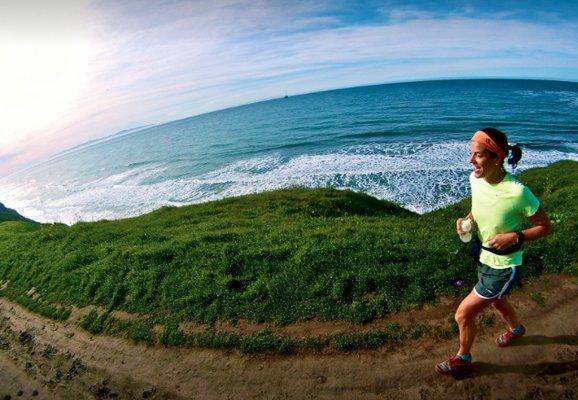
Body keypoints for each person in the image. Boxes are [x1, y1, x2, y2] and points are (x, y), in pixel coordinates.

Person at [435, 127, 552, 375]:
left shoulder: (518, 192)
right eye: (471, 153)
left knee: (463, 315)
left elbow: (545, 226)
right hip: (483, 255)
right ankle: (517, 330)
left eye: (477, 155)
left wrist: (516, 236)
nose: (470, 160)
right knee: (498, 301)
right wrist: (466, 220)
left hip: (503, 265)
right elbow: (477, 210)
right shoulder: (474, 178)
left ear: (496, 157)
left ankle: (463, 357)